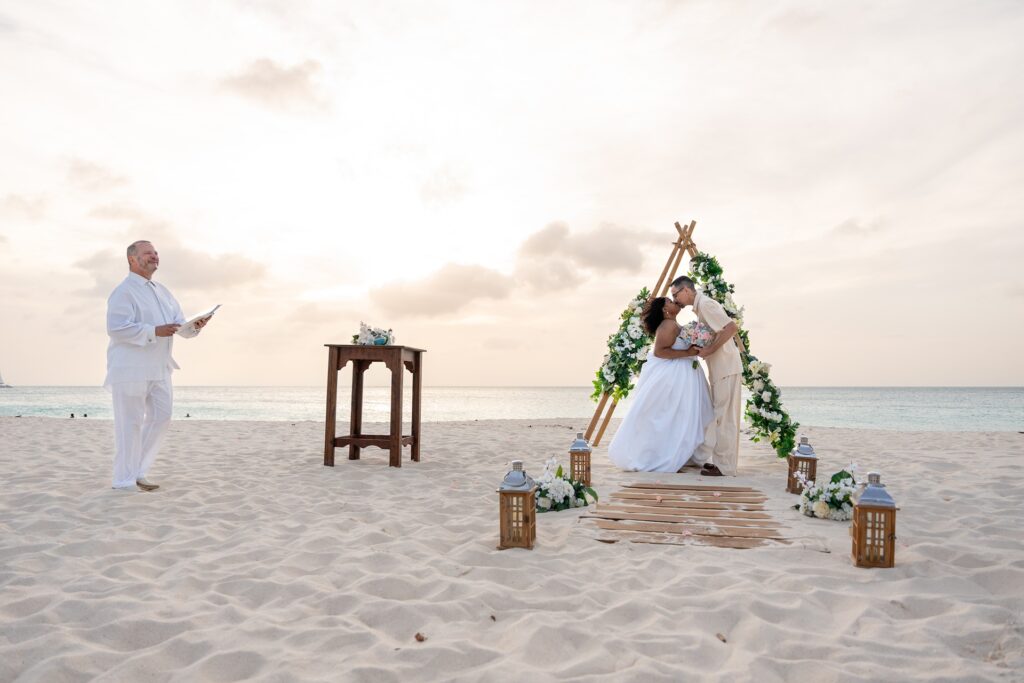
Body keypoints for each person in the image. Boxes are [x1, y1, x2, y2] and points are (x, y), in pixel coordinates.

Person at [105, 240, 210, 491]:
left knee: (161, 417)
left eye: (155, 252)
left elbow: (178, 326)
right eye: (147, 253)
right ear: (132, 259)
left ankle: (138, 471)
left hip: (160, 368)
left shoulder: (163, 291)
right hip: (130, 369)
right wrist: (154, 331)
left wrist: (194, 327)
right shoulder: (124, 291)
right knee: (128, 424)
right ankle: (124, 481)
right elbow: (117, 328)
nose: (154, 256)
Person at [607, 296, 714, 473]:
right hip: (675, 374)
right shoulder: (667, 325)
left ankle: (679, 452)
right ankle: (664, 454)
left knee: (679, 415)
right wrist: (687, 352)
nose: (674, 303)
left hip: (685, 371)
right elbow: (659, 352)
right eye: (670, 302)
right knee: (672, 414)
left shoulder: (673, 324)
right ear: (665, 310)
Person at [671, 276, 743, 476]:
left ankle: (725, 467)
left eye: (676, 295)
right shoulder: (700, 307)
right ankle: (720, 461)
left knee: (725, 417)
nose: (676, 300)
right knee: (720, 415)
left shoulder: (706, 305)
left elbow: (731, 327)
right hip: (720, 368)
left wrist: (710, 349)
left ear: (686, 290)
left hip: (726, 366)